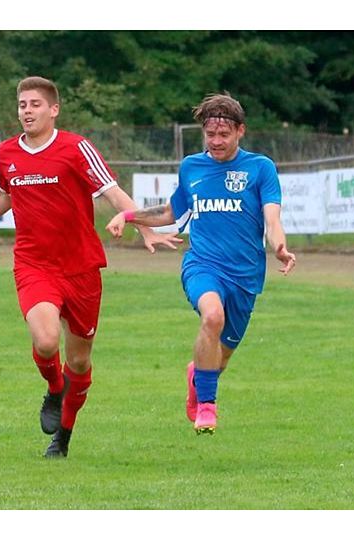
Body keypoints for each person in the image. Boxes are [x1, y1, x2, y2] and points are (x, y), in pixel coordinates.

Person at [0, 76, 181, 458]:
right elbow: (6, 196)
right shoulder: (8, 152)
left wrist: (144, 227)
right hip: (34, 264)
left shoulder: (76, 148)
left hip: (81, 269)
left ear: (54, 109)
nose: (27, 111)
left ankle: (63, 437)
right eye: (22, 104)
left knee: (79, 360)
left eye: (35, 104)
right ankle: (54, 389)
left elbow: (112, 192)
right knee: (45, 341)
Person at [106, 92, 296, 435]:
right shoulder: (192, 167)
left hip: (246, 276)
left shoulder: (260, 168)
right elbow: (170, 212)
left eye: (224, 134)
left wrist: (279, 246)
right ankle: (207, 407)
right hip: (202, 265)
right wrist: (128, 215)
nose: (216, 141)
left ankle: (198, 376)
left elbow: (272, 218)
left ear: (240, 131)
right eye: (210, 134)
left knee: (217, 361)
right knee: (212, 316)